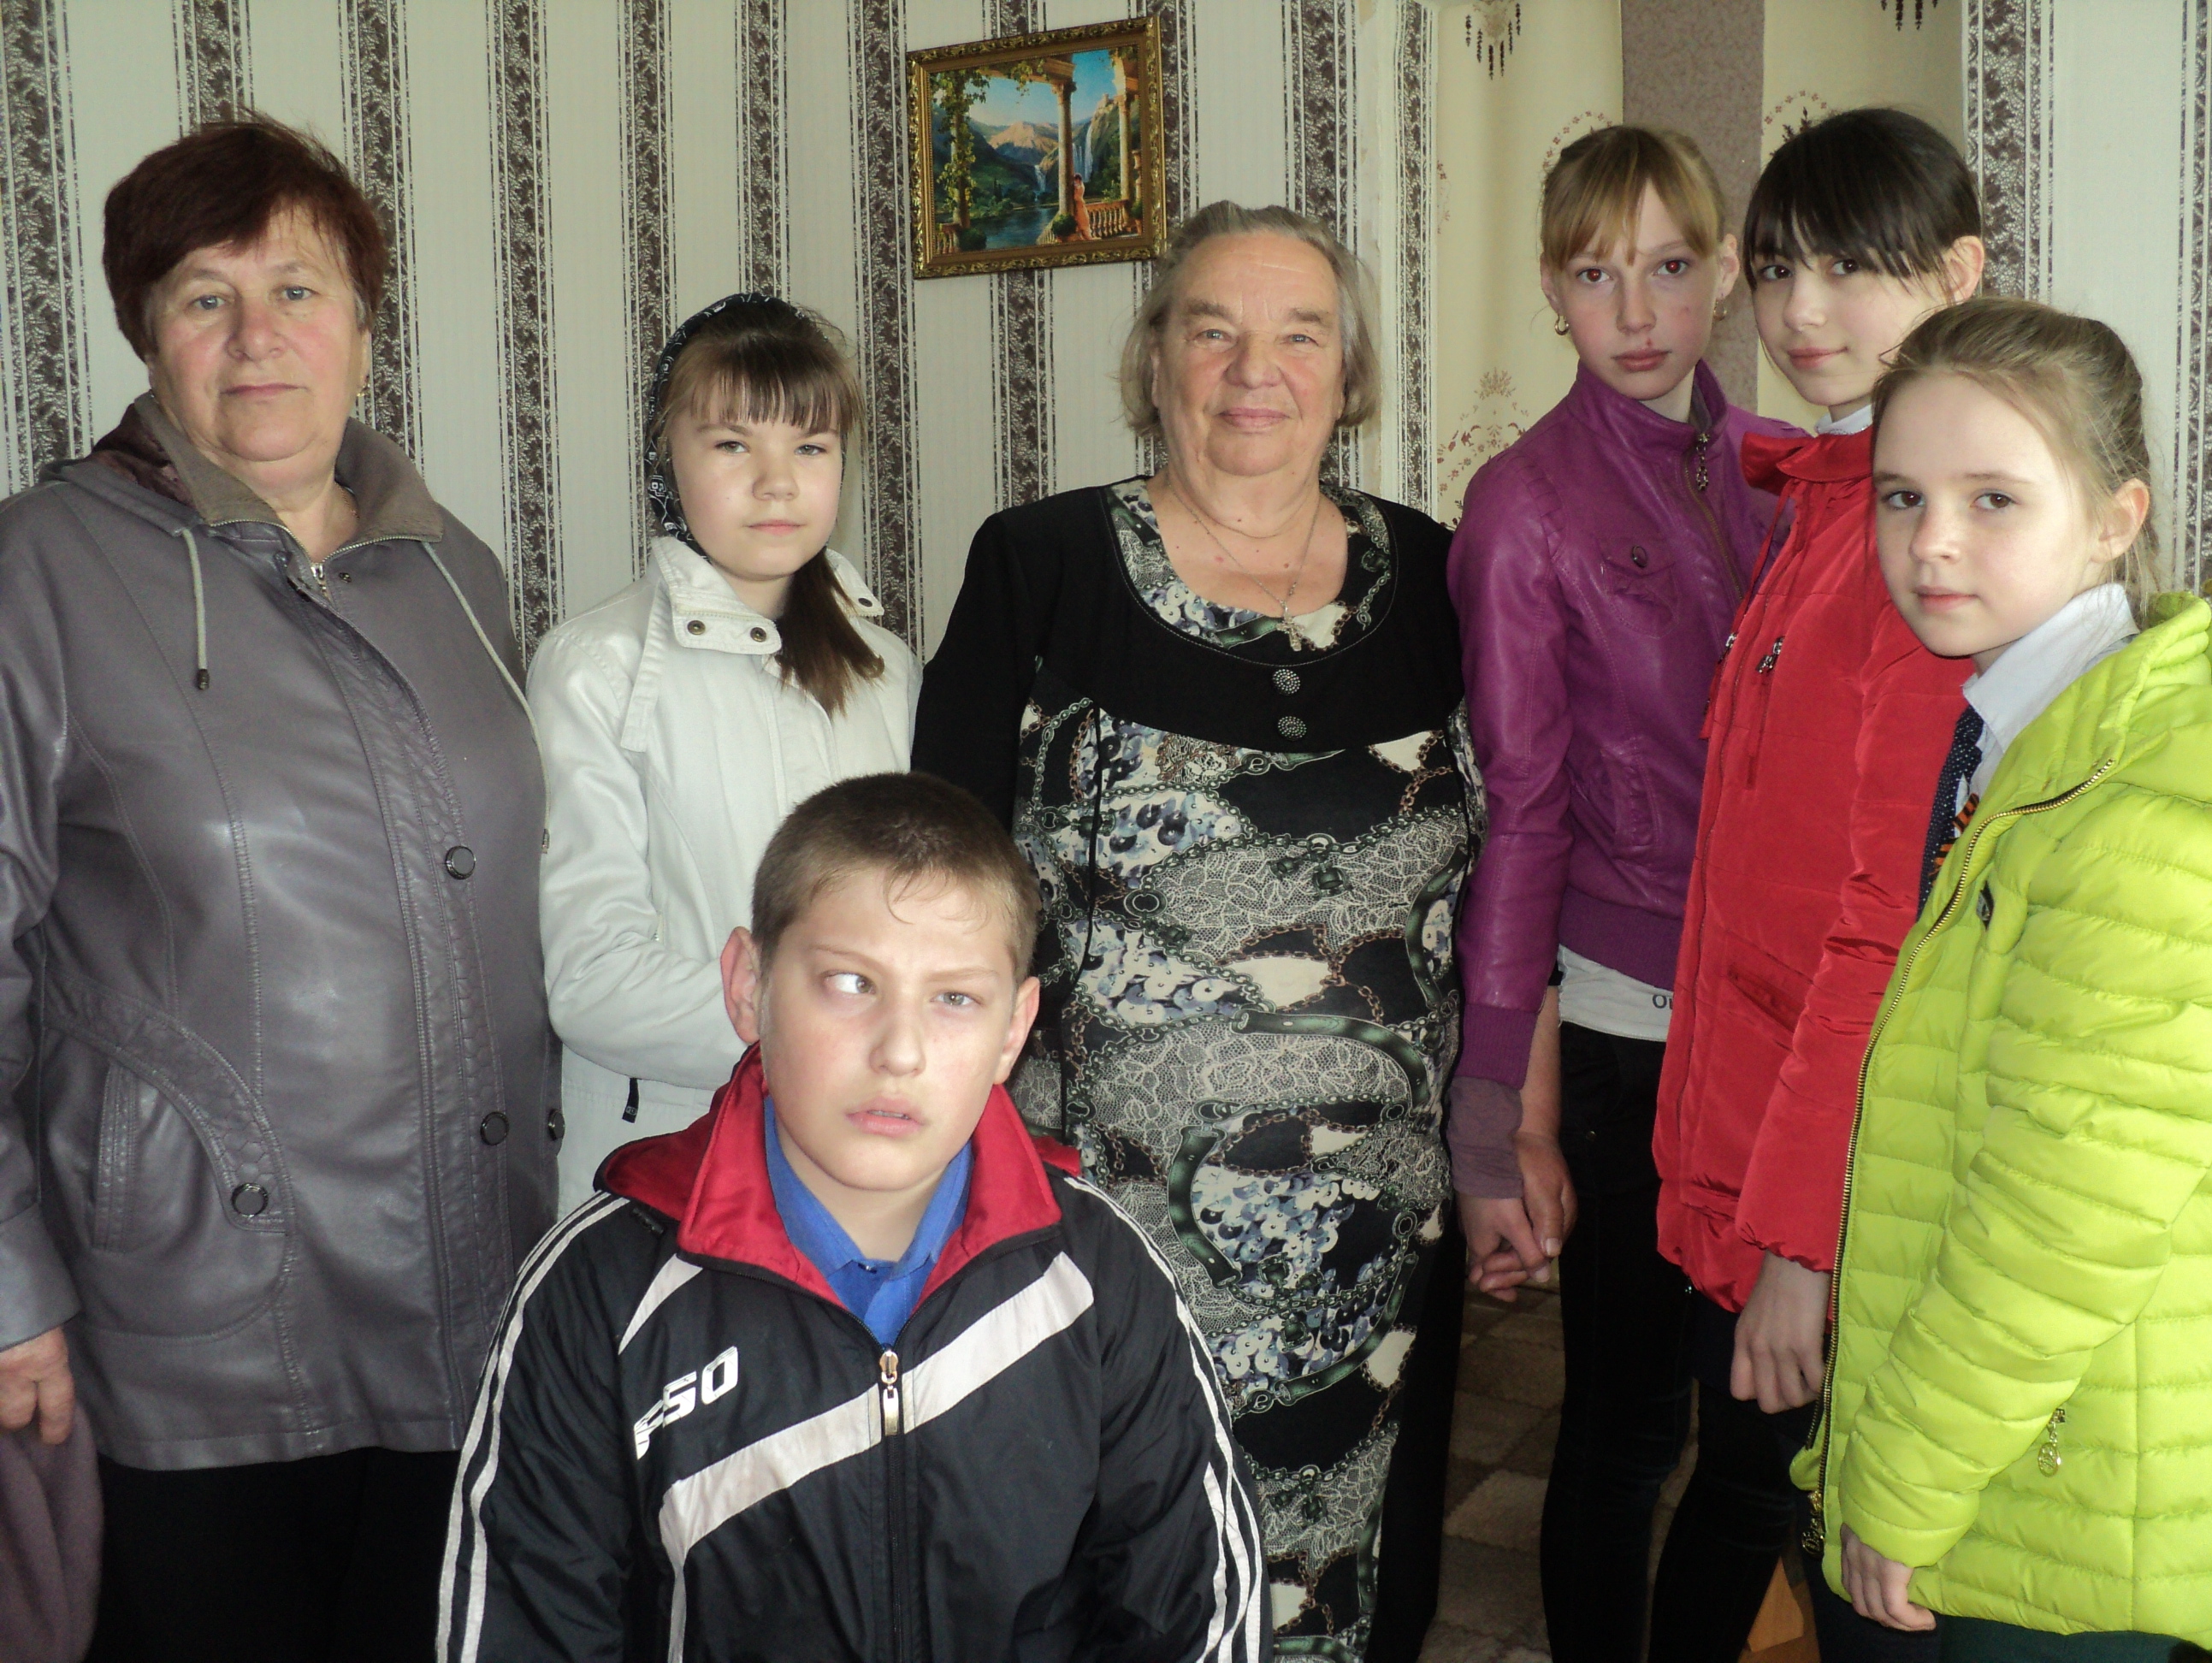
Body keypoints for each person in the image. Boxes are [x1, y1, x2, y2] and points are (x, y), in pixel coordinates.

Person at [0, 116, 553, 1660]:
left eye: (298, 289)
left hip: (471, 1293)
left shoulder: (458, 573)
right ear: (147, 335)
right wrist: (5, 1283)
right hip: (196, 1324)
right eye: (205, 296)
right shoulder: (40, 569)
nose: (258, 337)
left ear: (363, 326)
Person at [912, 201, 1475, 1658]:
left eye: (1299, 334)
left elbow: (1510, 865)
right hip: (1104, 1230)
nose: (1252, 370)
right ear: (1154, 359)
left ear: (1348, 373)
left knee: (1343, 1599)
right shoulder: (1040, 565)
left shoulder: (1439, 580)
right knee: (1113, 1587)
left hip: (1376, 1239)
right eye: (1211, 330)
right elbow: (939, 888)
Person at [440, 772, 1269, 1661]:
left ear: (1014, 1028)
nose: (899, 1051)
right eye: (848, 982)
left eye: (955, 999)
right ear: (749, 986)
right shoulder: (595, 1293)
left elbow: (1198, 1617)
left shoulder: (1097, 1276)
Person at [1806, 297, 2212, 1660]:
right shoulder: (2037, 730)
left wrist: (1906, 1473)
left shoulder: (2148, 792)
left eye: (1993, 499)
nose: (1931, 543)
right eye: (1903, 496)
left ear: (2113, 519)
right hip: (2027, 1455)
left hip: (2065, 1499)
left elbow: (2064, 1208)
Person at [1447, 125, 1796, 1661]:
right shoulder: (1522, 508)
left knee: (1763, 1435)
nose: (1637, 311)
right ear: (1551, 288)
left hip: (1784, 1023)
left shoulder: (1791, 472)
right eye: (1597, 276)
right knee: (1626, 1424)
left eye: (1667, 267)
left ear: (1723, 271)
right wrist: (1495, 1110)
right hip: (1629, 1026)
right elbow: (1517, 817)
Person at [1653, 108, 1984, 1659]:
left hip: (1836, 1186)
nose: (1801, 309)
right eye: (1781, 267)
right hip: (1760, 1133)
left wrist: (1798, 1243)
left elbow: (1882, 927)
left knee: (1826, 1546)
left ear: (1959, 275)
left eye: (1855, 267)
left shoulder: (1921, 544)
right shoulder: (1832, 505)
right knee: (1754, 1506)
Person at [533, 293, 916, 1214]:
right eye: (734, 444)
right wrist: (823, 1025)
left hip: (860, 1146)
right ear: (668, 460)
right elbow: (590, 981)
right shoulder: (597, 669)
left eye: (811, 448)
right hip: (670, 1152)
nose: (777, 483)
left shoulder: (887, 668)